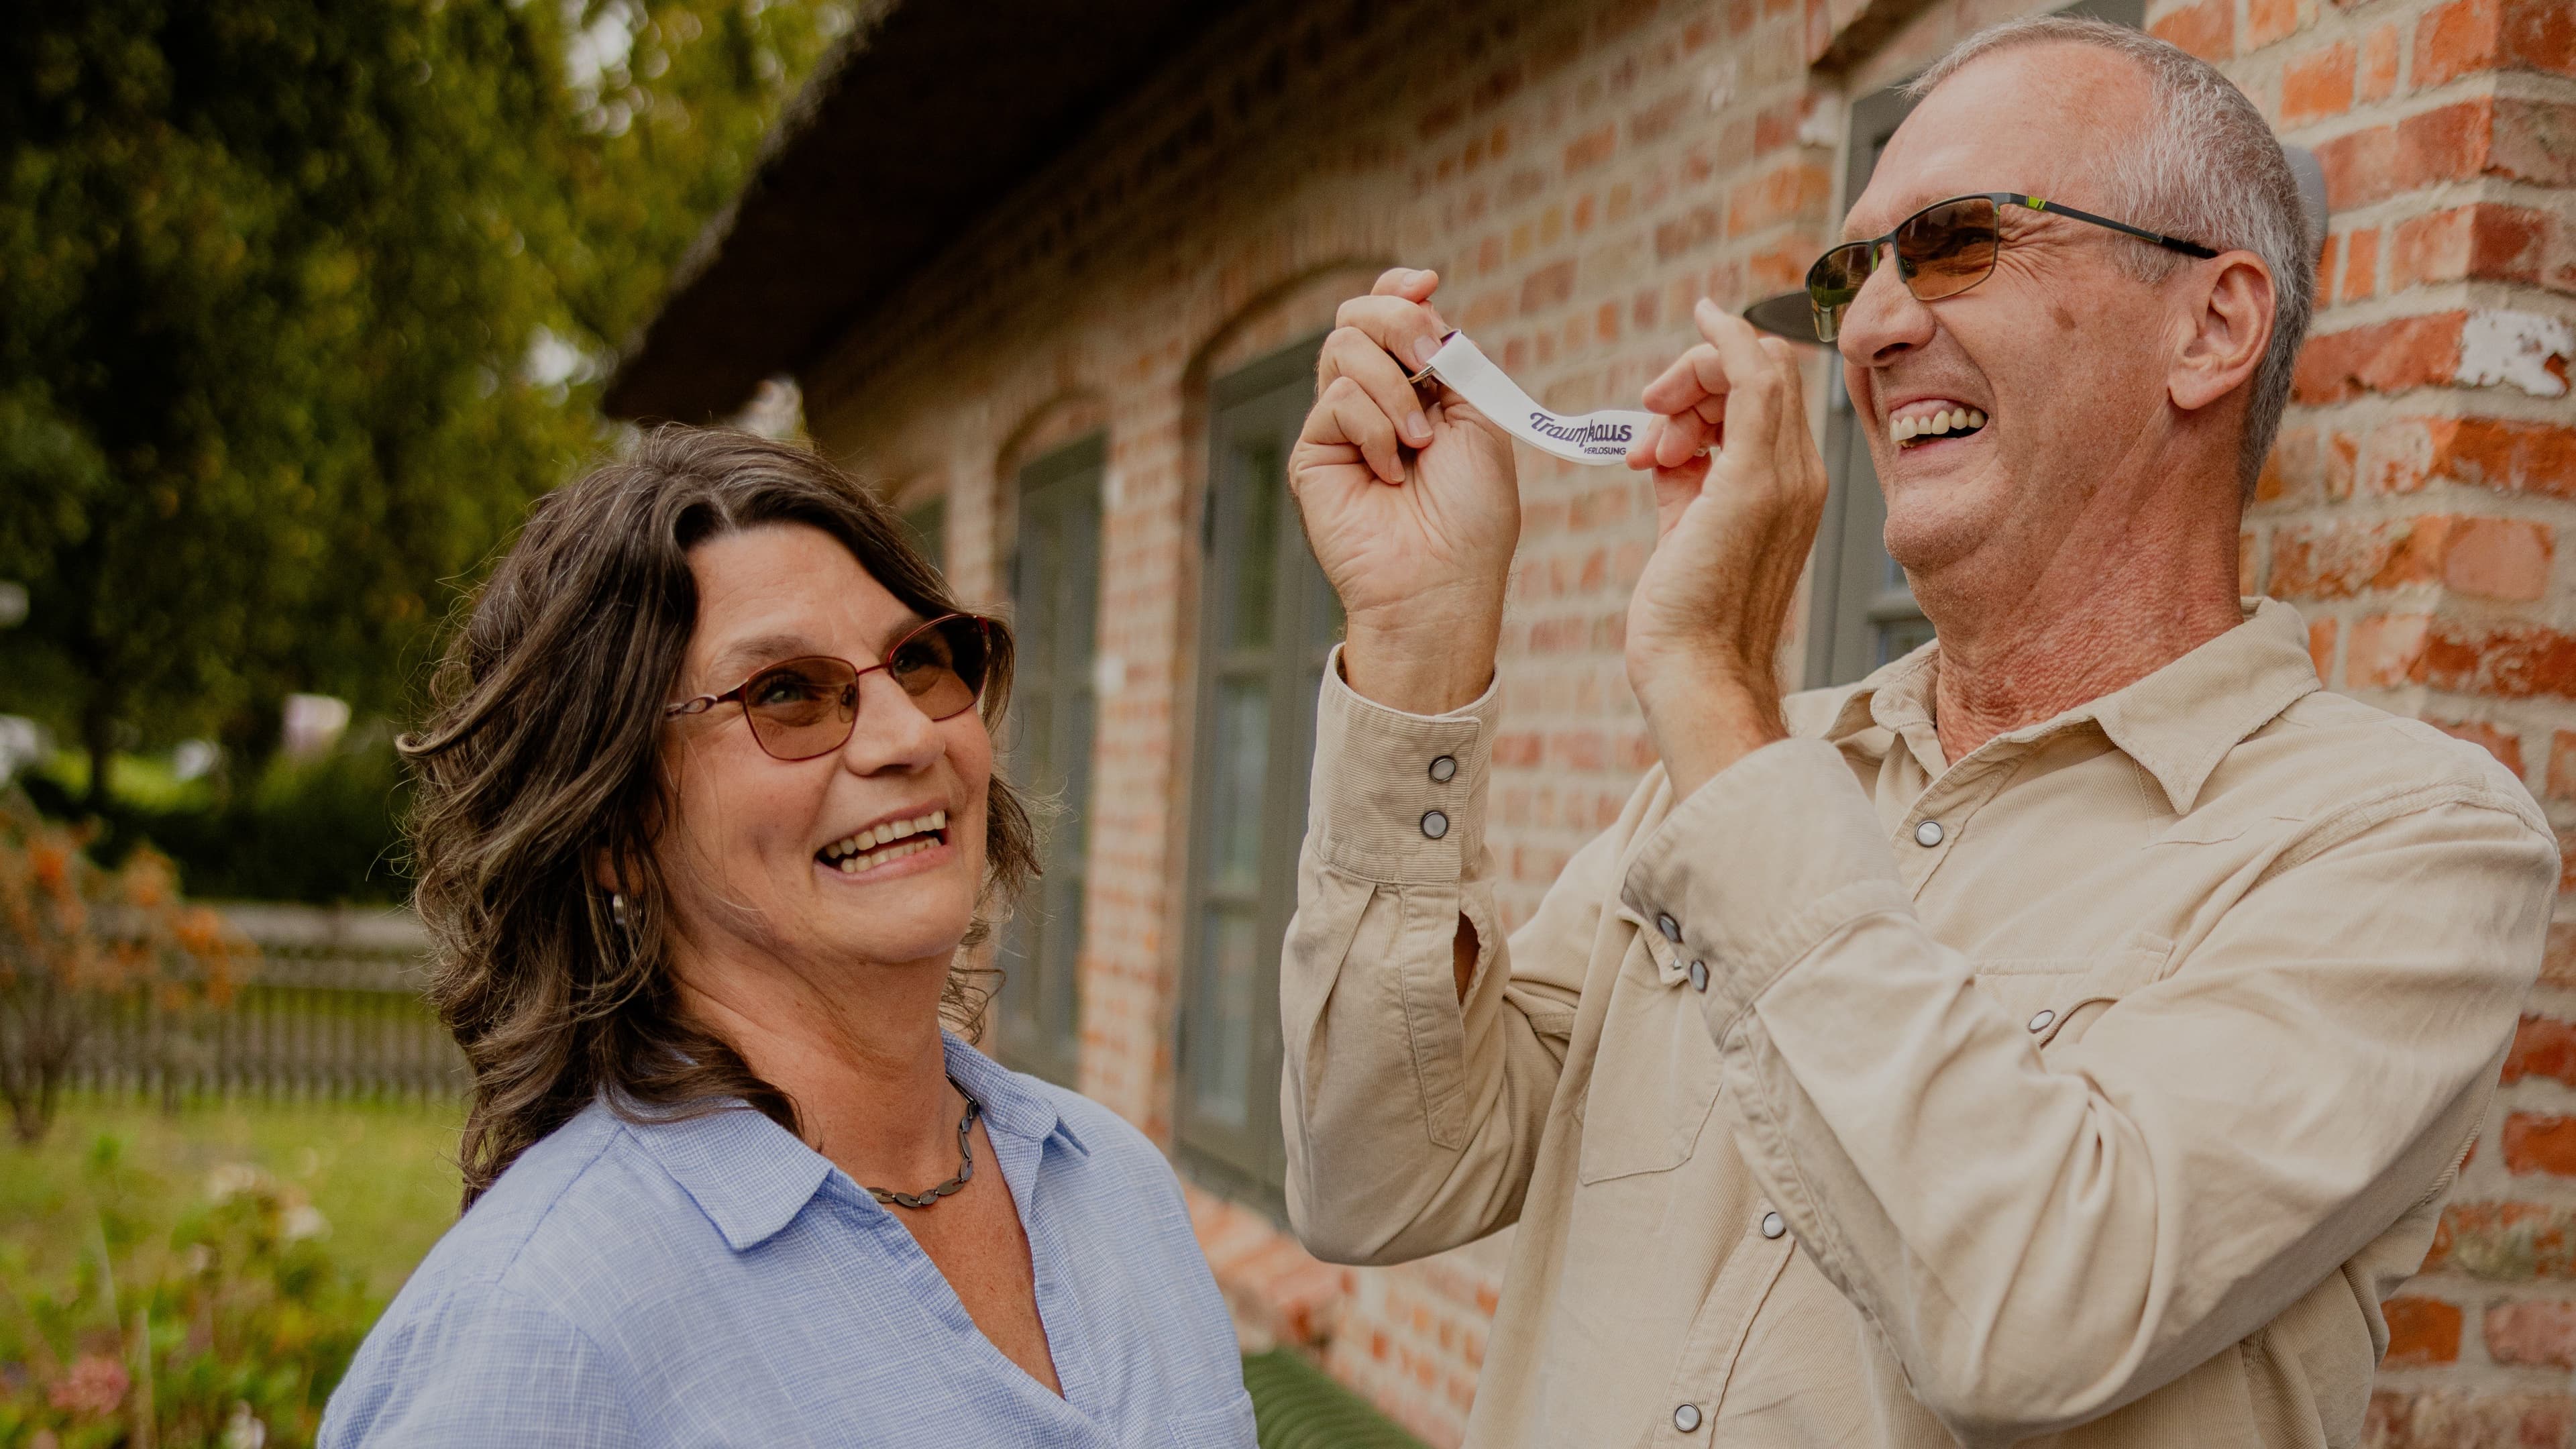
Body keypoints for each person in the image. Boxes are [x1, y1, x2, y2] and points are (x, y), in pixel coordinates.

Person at [1279, 15, 2555, 1449]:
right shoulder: (1745, 778)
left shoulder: (2409, 844)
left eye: (1958, 244)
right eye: (1853, 272)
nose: (1875, 327)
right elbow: (1376, 1185)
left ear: (2212, 324)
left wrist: (1709, 681)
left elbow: (2027, 1315)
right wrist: (1417, 648)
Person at [321, 429, 1254, 1447]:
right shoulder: (543, 1327)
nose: (908, 738)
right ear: (613, 829)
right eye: (785, 695)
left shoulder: (1117, 1189)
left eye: (921, 661)